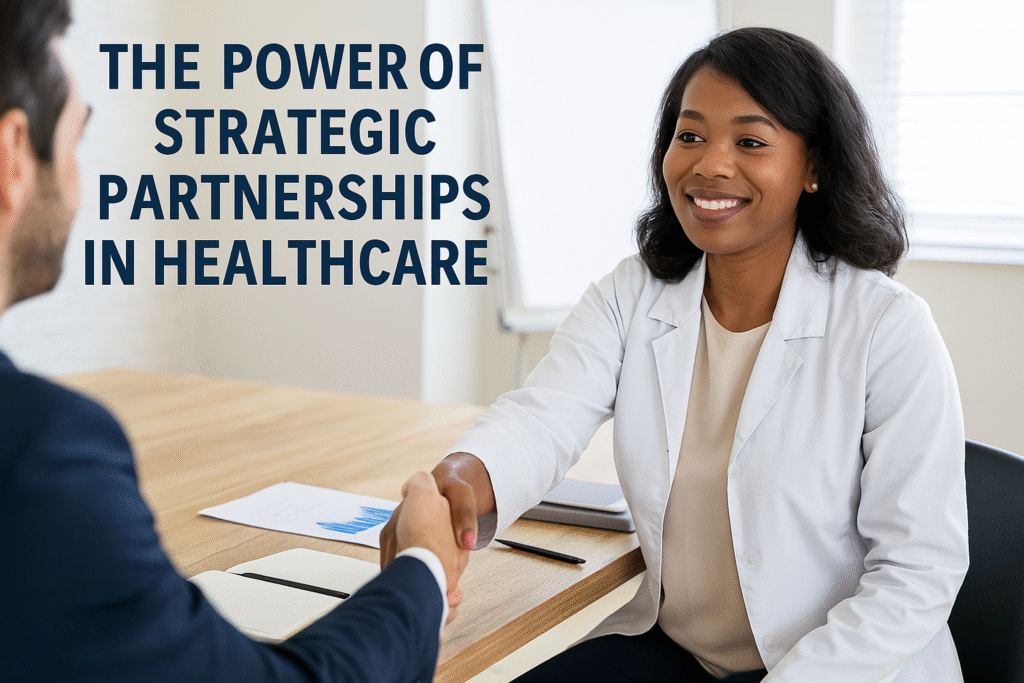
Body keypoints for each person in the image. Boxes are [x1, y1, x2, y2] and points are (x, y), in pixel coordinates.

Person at [381, 27, 968, 682]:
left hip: (842, 666)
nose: (709, 164)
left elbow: (917, 572)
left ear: (814, 167)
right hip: (684, 653)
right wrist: (465, 474)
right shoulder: (631, 293)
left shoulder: (887, 326)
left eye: (750, 141)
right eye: (689, 136)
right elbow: (543, 415)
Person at [0, 2, 467, 681]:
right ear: (14, 158)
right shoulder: (42, 455)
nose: (80, 181)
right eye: (77, 140)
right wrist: (424, 567)